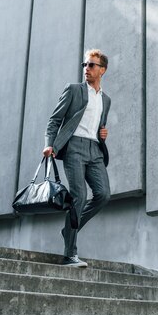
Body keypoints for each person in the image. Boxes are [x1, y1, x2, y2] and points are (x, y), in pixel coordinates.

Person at [42, 49, 111, 268]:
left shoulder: (106, 100)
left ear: (102, 70)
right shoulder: (73, 90)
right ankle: (69, 253)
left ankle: (69, 229)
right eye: (85, 65)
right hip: (74, 148)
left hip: (95, 151)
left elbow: (98, 125)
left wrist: (103, 133)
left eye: (91, 65)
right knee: (79, 196)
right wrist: (49, 145)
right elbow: (54, 120)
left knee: (103, 195)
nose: (86, 69)